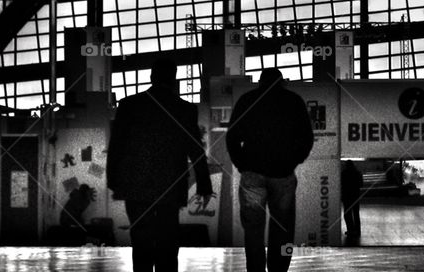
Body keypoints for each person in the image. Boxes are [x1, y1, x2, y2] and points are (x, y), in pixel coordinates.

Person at [107, 58, 213, 272]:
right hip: (170, 185)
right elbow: (195, 148)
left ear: (151, 77)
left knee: (141, 239)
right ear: (174, 79)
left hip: (136, 186)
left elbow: (116, 145)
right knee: (168, 238)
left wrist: (113, 180)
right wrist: (204, 184)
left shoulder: (129, 105)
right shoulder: (184, 109)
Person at [226, 68, 314, 272]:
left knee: (253, 230)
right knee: (283, 229)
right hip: (282, 174)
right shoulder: (293, 101)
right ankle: (278, 268)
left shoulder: (247, 100)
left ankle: (256, 269)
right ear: (281, 82)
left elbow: (232, 137)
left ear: (260, 81)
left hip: (252, 174)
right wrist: (293, 161)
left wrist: (242, 164)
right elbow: (306, 138)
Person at [340, 160, 363, 241]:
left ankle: (350, 230)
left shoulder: (343, 173)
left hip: (346, 196)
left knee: (347, 214)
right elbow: (361, 184)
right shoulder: (358, 172)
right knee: (356, 214)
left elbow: (341, 184)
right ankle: (357, 231)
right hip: (356, 196)